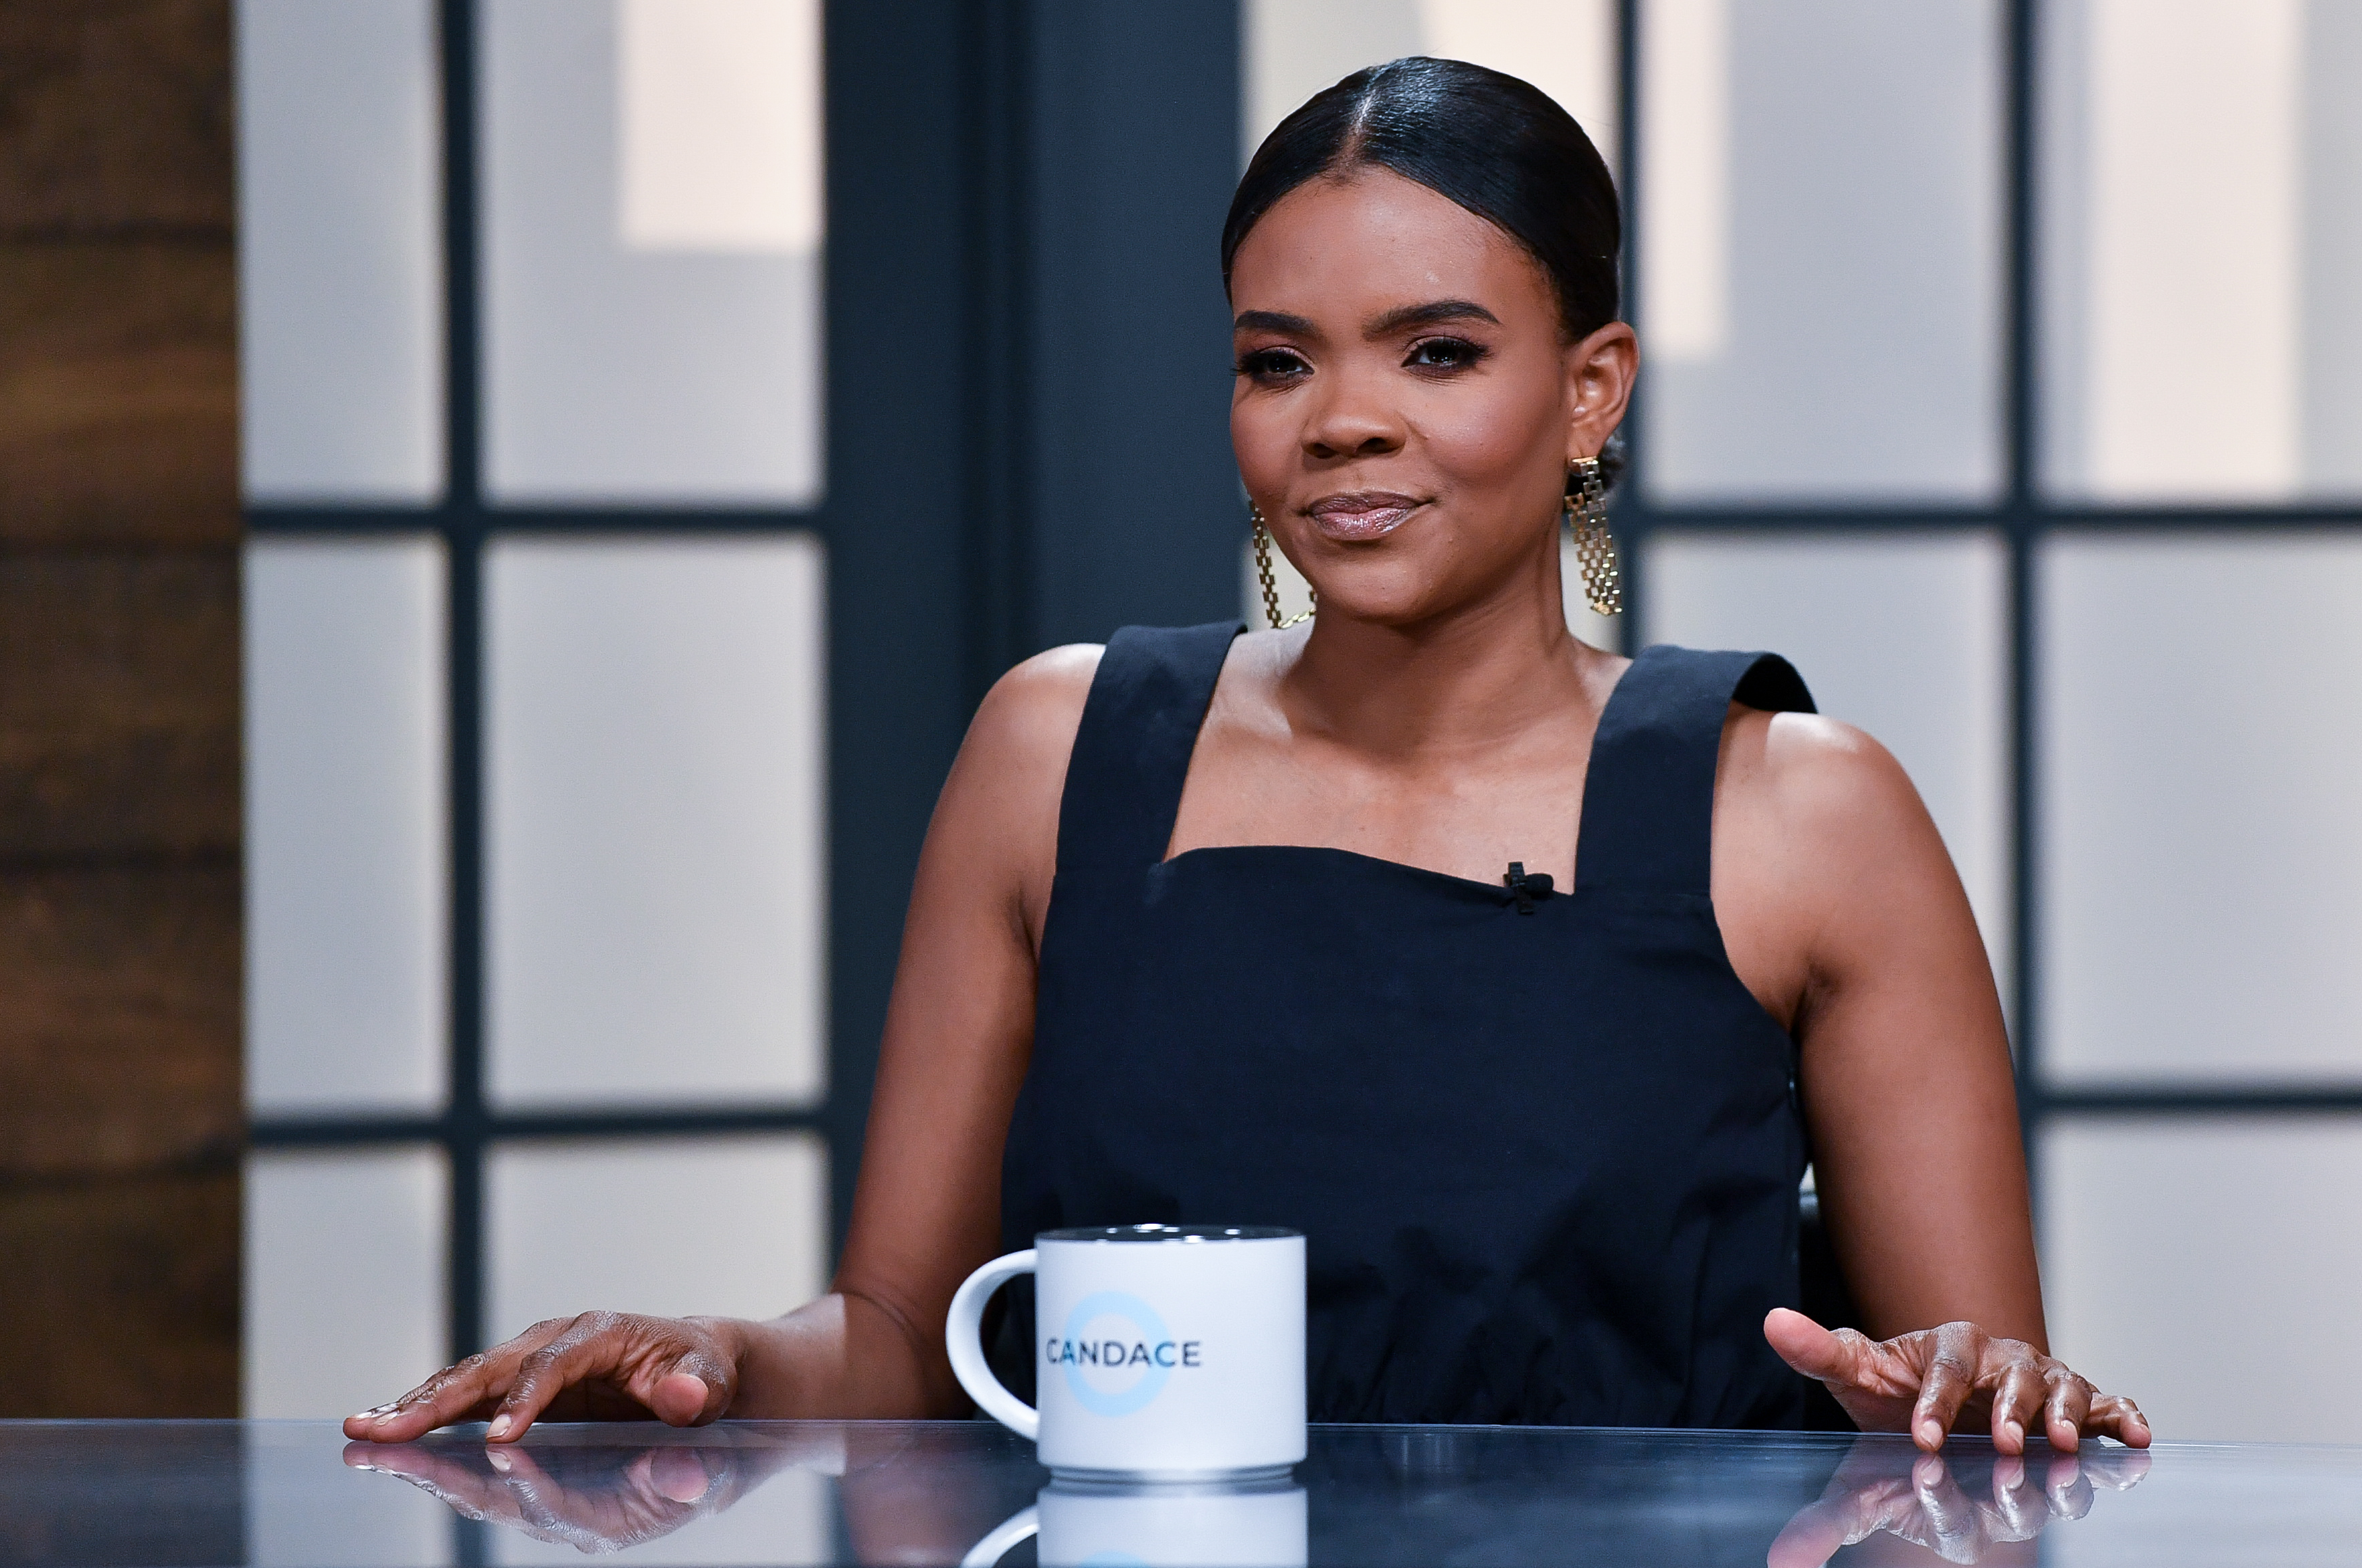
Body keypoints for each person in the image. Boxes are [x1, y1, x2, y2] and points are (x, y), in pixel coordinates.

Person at [348, 57, 2148, 1458]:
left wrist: (1974, 1390)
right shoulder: (1054, 747)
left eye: (1438, 352)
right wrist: (724, 1361)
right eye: (1276, 362)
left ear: (1594, 389)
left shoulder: (1804, 808)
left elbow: (1965, 1425)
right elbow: (904, 1341)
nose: (1343, 420)